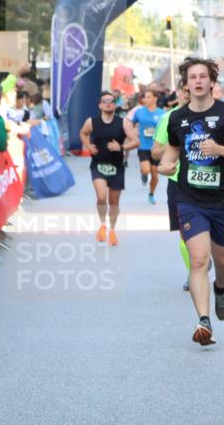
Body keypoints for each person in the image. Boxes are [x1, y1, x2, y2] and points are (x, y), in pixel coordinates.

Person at [159, 57, 224, 346]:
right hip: (190, 199)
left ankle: (220, 286)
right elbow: (172, 150)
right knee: (199, 259)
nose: (198, 81)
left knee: (222, 259)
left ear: (212, 82)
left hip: (222, 200)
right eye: (192, 77)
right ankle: (204, 320)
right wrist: (165, 165)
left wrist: (220, 149)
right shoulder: (178, 118)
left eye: (203, 76)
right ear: (186, 84)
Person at [79, 91, 139, 246]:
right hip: (98, 165)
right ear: (100, 105)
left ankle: (112, 230)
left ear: (115, 105)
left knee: (114, 202)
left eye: (111, 101)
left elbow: (135, 141)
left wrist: (121, 147)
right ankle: (102, 225)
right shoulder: (91, 122)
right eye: (104, 101)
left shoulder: (123, 122)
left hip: (116, 167)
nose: (108, 104)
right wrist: (88, 147)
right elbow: (83, 133)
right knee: (101, 196)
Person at [152, 84, 194, 290]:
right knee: (185, 232)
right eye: (184, 90)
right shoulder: (169, 118)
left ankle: (202, 258)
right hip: (178, 181)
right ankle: (193, 272)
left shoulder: (211, 115)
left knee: (208, 234)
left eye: (190, 90)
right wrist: (173, 145)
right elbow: (155, 152)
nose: (187, 94)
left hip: (208, 182)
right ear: (178, 93)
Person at [132, 89, 166, 204]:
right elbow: (131, 124)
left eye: (148, 97)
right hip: (143, 146)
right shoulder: (139, 112)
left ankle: (151, 194)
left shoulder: (162, 113)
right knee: (146, 169)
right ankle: (144, 174)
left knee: (155, 175)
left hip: (156, 148)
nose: (145, 99)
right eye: (145, 97)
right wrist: (134, 134)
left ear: (155, 98)